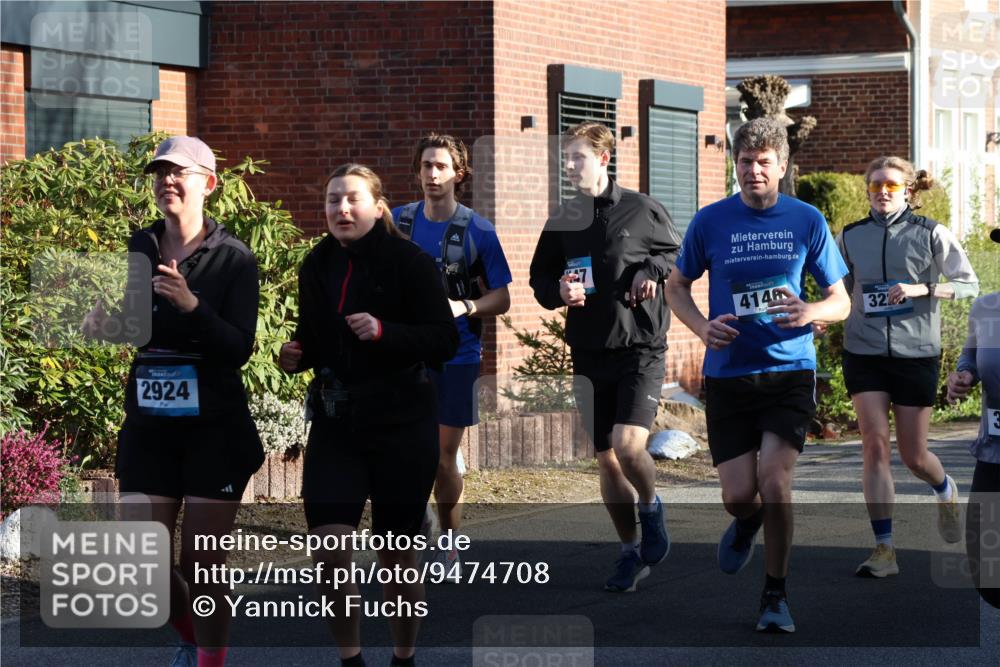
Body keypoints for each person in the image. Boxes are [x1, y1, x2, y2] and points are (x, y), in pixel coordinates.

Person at [82, 136, 263, 667]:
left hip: (214, 427)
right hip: (151, 423)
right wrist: (107, 325)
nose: (166, 181)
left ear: (208, 183)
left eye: (178, 171)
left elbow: (239, 349)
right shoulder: (140, 246)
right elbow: (136, 327)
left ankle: (209, 659)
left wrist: (192, 305)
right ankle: (190, 638)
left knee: (202, 560)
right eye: (160, 172)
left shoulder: (233, 259)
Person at [665, 116, 851, 633]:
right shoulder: (710, 221)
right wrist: (702, 328)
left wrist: (812, 311)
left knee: (775, 480)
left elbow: (842, 301)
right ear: (735, 165)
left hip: (789, 369)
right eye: (745, 162)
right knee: (737, 495)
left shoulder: (806, 220)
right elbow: (675, 286)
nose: (753, 171)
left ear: (782, 166)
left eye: (763, 162)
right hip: (728, 373)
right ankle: (746, 523)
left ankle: (775, 594)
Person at [278, 164, 458, 667]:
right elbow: (314, 337)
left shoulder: (411, 263)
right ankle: (351, 659)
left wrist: (385, 332)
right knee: (330, 551)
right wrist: (296, 355)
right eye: (333, 200)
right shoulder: (316, 264)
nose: (341, 209)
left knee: (396, 555)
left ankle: (404, 657)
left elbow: (443, 340)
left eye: (352, 199)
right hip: (338, 425)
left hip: (402, 423)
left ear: (378, 206)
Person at [529, 121, 681, 593]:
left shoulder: (642, 209)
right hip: (589, 350)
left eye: (578, 157)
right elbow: (539, 281)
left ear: (603, 160)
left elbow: (677, 254)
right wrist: (558, 291)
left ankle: (651, 506)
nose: (570, 166)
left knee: (628, 445)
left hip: (640, 346)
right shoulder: (563, 219)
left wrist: (651, 269)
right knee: (607, 461)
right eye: (566, 159)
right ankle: (628, 552)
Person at [837, 156, 978, 579]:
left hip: (917, 353)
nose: (883, 191)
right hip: (863, 351)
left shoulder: (931, 232)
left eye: (892, 186)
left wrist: (924, 288)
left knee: (915, 455)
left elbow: (970, 284)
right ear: (867, 189)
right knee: (874, 444)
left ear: (908, 192)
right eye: (876, 184)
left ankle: (944, 488)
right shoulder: (849, 236)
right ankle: (884, 549)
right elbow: (839, 290)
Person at [392, 134, 512, 575]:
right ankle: (417, 518)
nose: (431, 175)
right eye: (426, 166)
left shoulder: (477, 230)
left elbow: (501, 298)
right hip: (405, 353)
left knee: (443, 456)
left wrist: (467, 306)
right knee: (407, 449)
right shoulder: (398, 222)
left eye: (441, 167)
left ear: (458, 174)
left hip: (457, 355)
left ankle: (450, 542)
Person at [946, 232, 1000, 609]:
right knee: (988, 568)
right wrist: (962, 376)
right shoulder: (985, 308)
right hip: (994, 450)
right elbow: (970, 358)